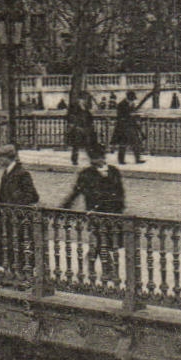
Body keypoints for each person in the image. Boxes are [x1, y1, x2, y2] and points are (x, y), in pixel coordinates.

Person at [60, 146, 126, 279]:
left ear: (103, 157)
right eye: (94, 158)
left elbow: (120, 191)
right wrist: (65, 206)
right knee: (102, 239)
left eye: (99, 158)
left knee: (102, 240)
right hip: (95, 212)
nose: (97, 161)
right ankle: (108, 270)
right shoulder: (86, 174)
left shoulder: (113, 171)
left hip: (112, 212)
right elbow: (76, 192)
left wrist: (120, 207)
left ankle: (90, 263)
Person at [0, 143, 40, 285]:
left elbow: (33, 196)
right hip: (7, 217)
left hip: (18, 219)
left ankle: (23, 277)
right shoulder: (7, 172)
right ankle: (11, 275)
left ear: (8, 158)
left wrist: (16, 205)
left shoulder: (22, 173)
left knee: (19, 247)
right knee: (7, 246)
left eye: (0, 158)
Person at [112, 90, 148, 165]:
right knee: (123, 144)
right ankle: (121, 160)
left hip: (131, 126)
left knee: (136, 143)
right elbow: (120, 116)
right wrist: (131, 115)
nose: (133, 101)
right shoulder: (121, 104)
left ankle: (137, 159)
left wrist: (135, 116)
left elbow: (131, 114)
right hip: (123, 127)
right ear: (128, 98)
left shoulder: (130, 104)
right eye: (132, 99)